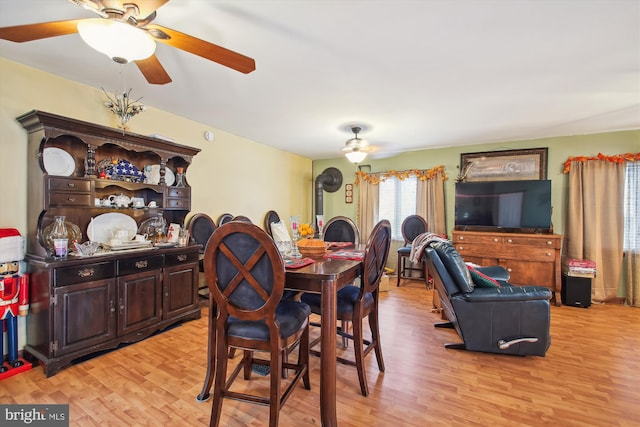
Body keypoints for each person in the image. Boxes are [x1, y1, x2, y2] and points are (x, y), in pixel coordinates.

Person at [0, 228, 29, 373]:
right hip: (2, 309)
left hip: (13, 307)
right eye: (2, 265)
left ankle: (13, 358)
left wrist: (23, 306)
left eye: (13, 264)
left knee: (13, 331)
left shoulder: (19, 278)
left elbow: (23, 291)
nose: (8, 268)